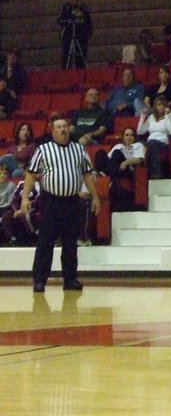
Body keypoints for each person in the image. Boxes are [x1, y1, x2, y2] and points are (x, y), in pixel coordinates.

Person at [23, 114, 101, 292]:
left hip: (72, 202)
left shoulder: (79, 150)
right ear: (53, 131)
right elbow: (31, 173)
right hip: (51, 202)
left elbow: (87, 174)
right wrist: (25, 197)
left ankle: (70, 279)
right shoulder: (43, 150)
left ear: (69, 129)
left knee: (70, 243)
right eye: (58, 127)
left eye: (65, 126)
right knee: (45, 242)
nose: (63, 129)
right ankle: (40, 280)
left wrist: (95, 196)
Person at [95, 127, 146, 212]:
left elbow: (140, 159)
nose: (129, 137)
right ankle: (104, 174)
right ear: (123, 137)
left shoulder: (138, 145)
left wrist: (127, 162)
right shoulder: (118, 146)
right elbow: (108, 158)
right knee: (101, 153)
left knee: (117, 153)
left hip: (128, 169)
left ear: (134, 137)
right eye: (127, 135)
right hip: (116, 168)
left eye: (131, 135)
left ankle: (109, 177)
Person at [137, 95, 171, 179]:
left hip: (163, 143)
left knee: (152, 143)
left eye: (163, 105)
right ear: (155, 106)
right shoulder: (151, 118)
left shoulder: (170, 116)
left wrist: (167, 116)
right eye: (159, 104)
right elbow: (139, 131)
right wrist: (143, 116)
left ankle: (156, 173)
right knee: (140, 145)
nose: (161, 107)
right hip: (151, 142)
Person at [57, 0, 92, 69]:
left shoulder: (83, 8)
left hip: (81, 37)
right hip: (68, 35)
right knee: (67, 56)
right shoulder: (66, 7)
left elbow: (88, 22)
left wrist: (87, 34)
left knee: (80, 58)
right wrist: (69, 23)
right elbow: (59, 20)